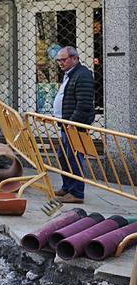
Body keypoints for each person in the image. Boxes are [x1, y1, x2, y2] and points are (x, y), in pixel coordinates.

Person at [53, 45, 95, 204]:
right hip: (66, 124)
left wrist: (73, 122)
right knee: (64, 156)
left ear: (74, 58)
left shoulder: (82, 75)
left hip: (74, 126)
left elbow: (84, 103)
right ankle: (67, 187)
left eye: (63, 60)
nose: (60, 63)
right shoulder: (70, 74)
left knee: (74, 158)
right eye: (58, 60)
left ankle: (76, 192)